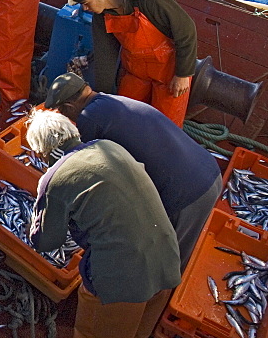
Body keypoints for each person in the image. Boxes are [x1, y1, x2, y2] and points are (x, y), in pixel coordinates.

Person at [27, 110, 181, 338]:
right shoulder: (110, 146)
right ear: (72, 131)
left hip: (122, 281)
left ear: (41, 151)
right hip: (167, 259)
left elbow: (46, 242)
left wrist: (40, 215)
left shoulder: (54, 179)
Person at [41, 73, 220, 269]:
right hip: (208, 170)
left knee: (166, 263)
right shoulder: (112, 101)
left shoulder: (89, 118)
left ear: (69, 107)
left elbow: (84, 171)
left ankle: (161, 299)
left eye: (62, 112)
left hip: (187, 195)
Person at [67, 0, 197, 125]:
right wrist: (103, 97)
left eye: (86, 4)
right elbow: (105, 55)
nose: (84, 9)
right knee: (123, 119)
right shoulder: (101, 15)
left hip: (169, 74)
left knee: (166, 128)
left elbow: (187, 32)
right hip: (136, 73)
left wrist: (183, 75)